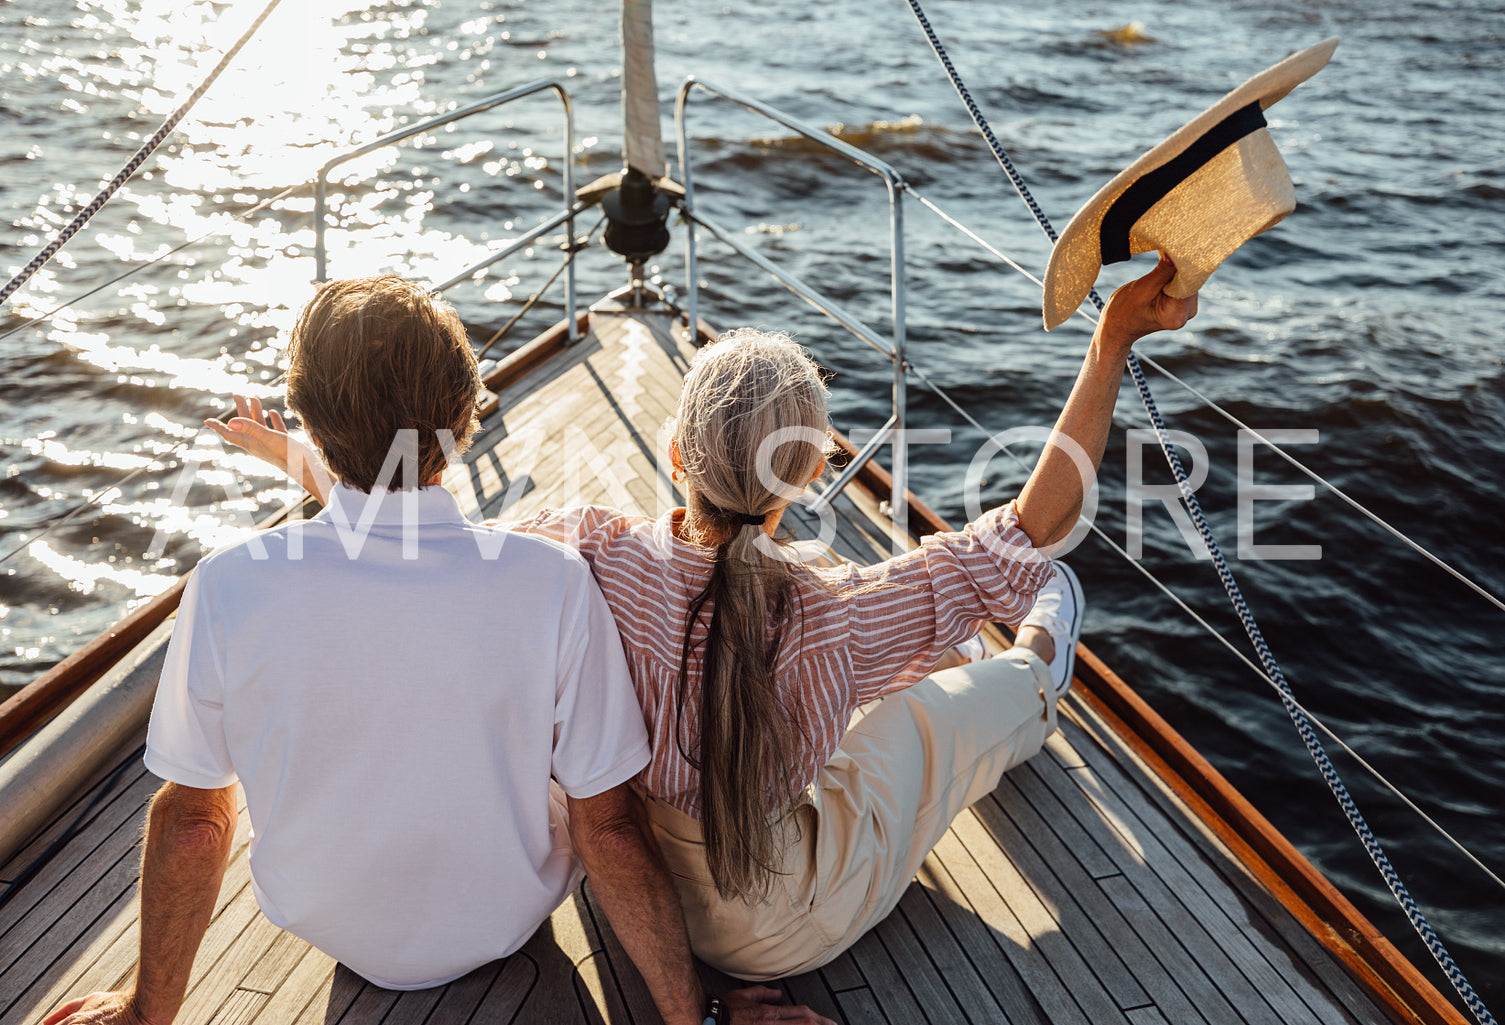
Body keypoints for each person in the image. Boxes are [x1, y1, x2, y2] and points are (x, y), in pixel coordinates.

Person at [202, 254, 1193, 980]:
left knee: (866, 707)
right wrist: (1109, 337)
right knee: (936, 715)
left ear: (674, 453)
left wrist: (299, 460)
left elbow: (423, 531)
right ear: (800, 484)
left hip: (630, 890)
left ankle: (987, 663)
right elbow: (1033, 519)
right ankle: (1033, 669)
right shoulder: (825, 613)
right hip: (770, 923)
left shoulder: (577, 547)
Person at [44, 277, 831, 1025]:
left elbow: (193, 823)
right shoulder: (549, 582)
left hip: (326, 916)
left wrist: (145, 1009)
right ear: (463, 420)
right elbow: (612, 830)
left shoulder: (226, 587)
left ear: (312, 426)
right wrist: (699, 1012)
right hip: (505, 918)